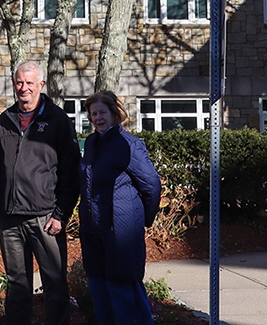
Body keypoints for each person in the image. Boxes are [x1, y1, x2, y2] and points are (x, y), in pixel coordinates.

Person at [0, 61, 81, 325]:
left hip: (45, 218)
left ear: (41, 85)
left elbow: (70, 172)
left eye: (29, 83)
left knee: (54, 283)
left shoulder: (58, 120)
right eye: (19, 82)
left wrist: (60, 214)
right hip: (9, 219)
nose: (23, 88)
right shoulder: (5, 119)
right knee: (17, 285)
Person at [78, 90, 161, 325]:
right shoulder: (93, 143)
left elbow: (151, 185)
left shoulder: (129, 145)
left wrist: (142, 219)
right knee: (99, 289)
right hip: (94, 230)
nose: (98, 118)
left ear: (115, 113)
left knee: (124, 292)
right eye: (93, 114)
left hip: (121, 231)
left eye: (102, 112)